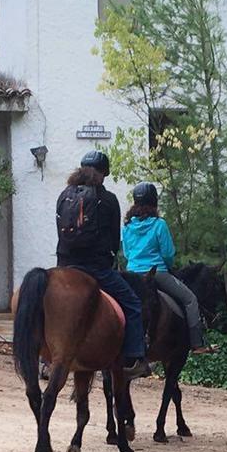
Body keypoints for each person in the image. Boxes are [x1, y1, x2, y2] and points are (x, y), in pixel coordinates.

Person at [56, 151, 150, 378]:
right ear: (104, 172)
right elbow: (112, 241)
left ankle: (44, 358)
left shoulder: (64, 195)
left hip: (64, 266)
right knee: (133, 304)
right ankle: (134, 358)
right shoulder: (107, 199)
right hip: (96, 268)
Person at [121, 182, 211, 353]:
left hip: (132, 274)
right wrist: (168, 267)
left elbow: (126, 253)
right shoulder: (159, 224)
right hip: (157, 273)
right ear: (154, 202)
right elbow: (168, 253)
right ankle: (197, 343)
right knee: (190, 299)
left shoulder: (127, 227)